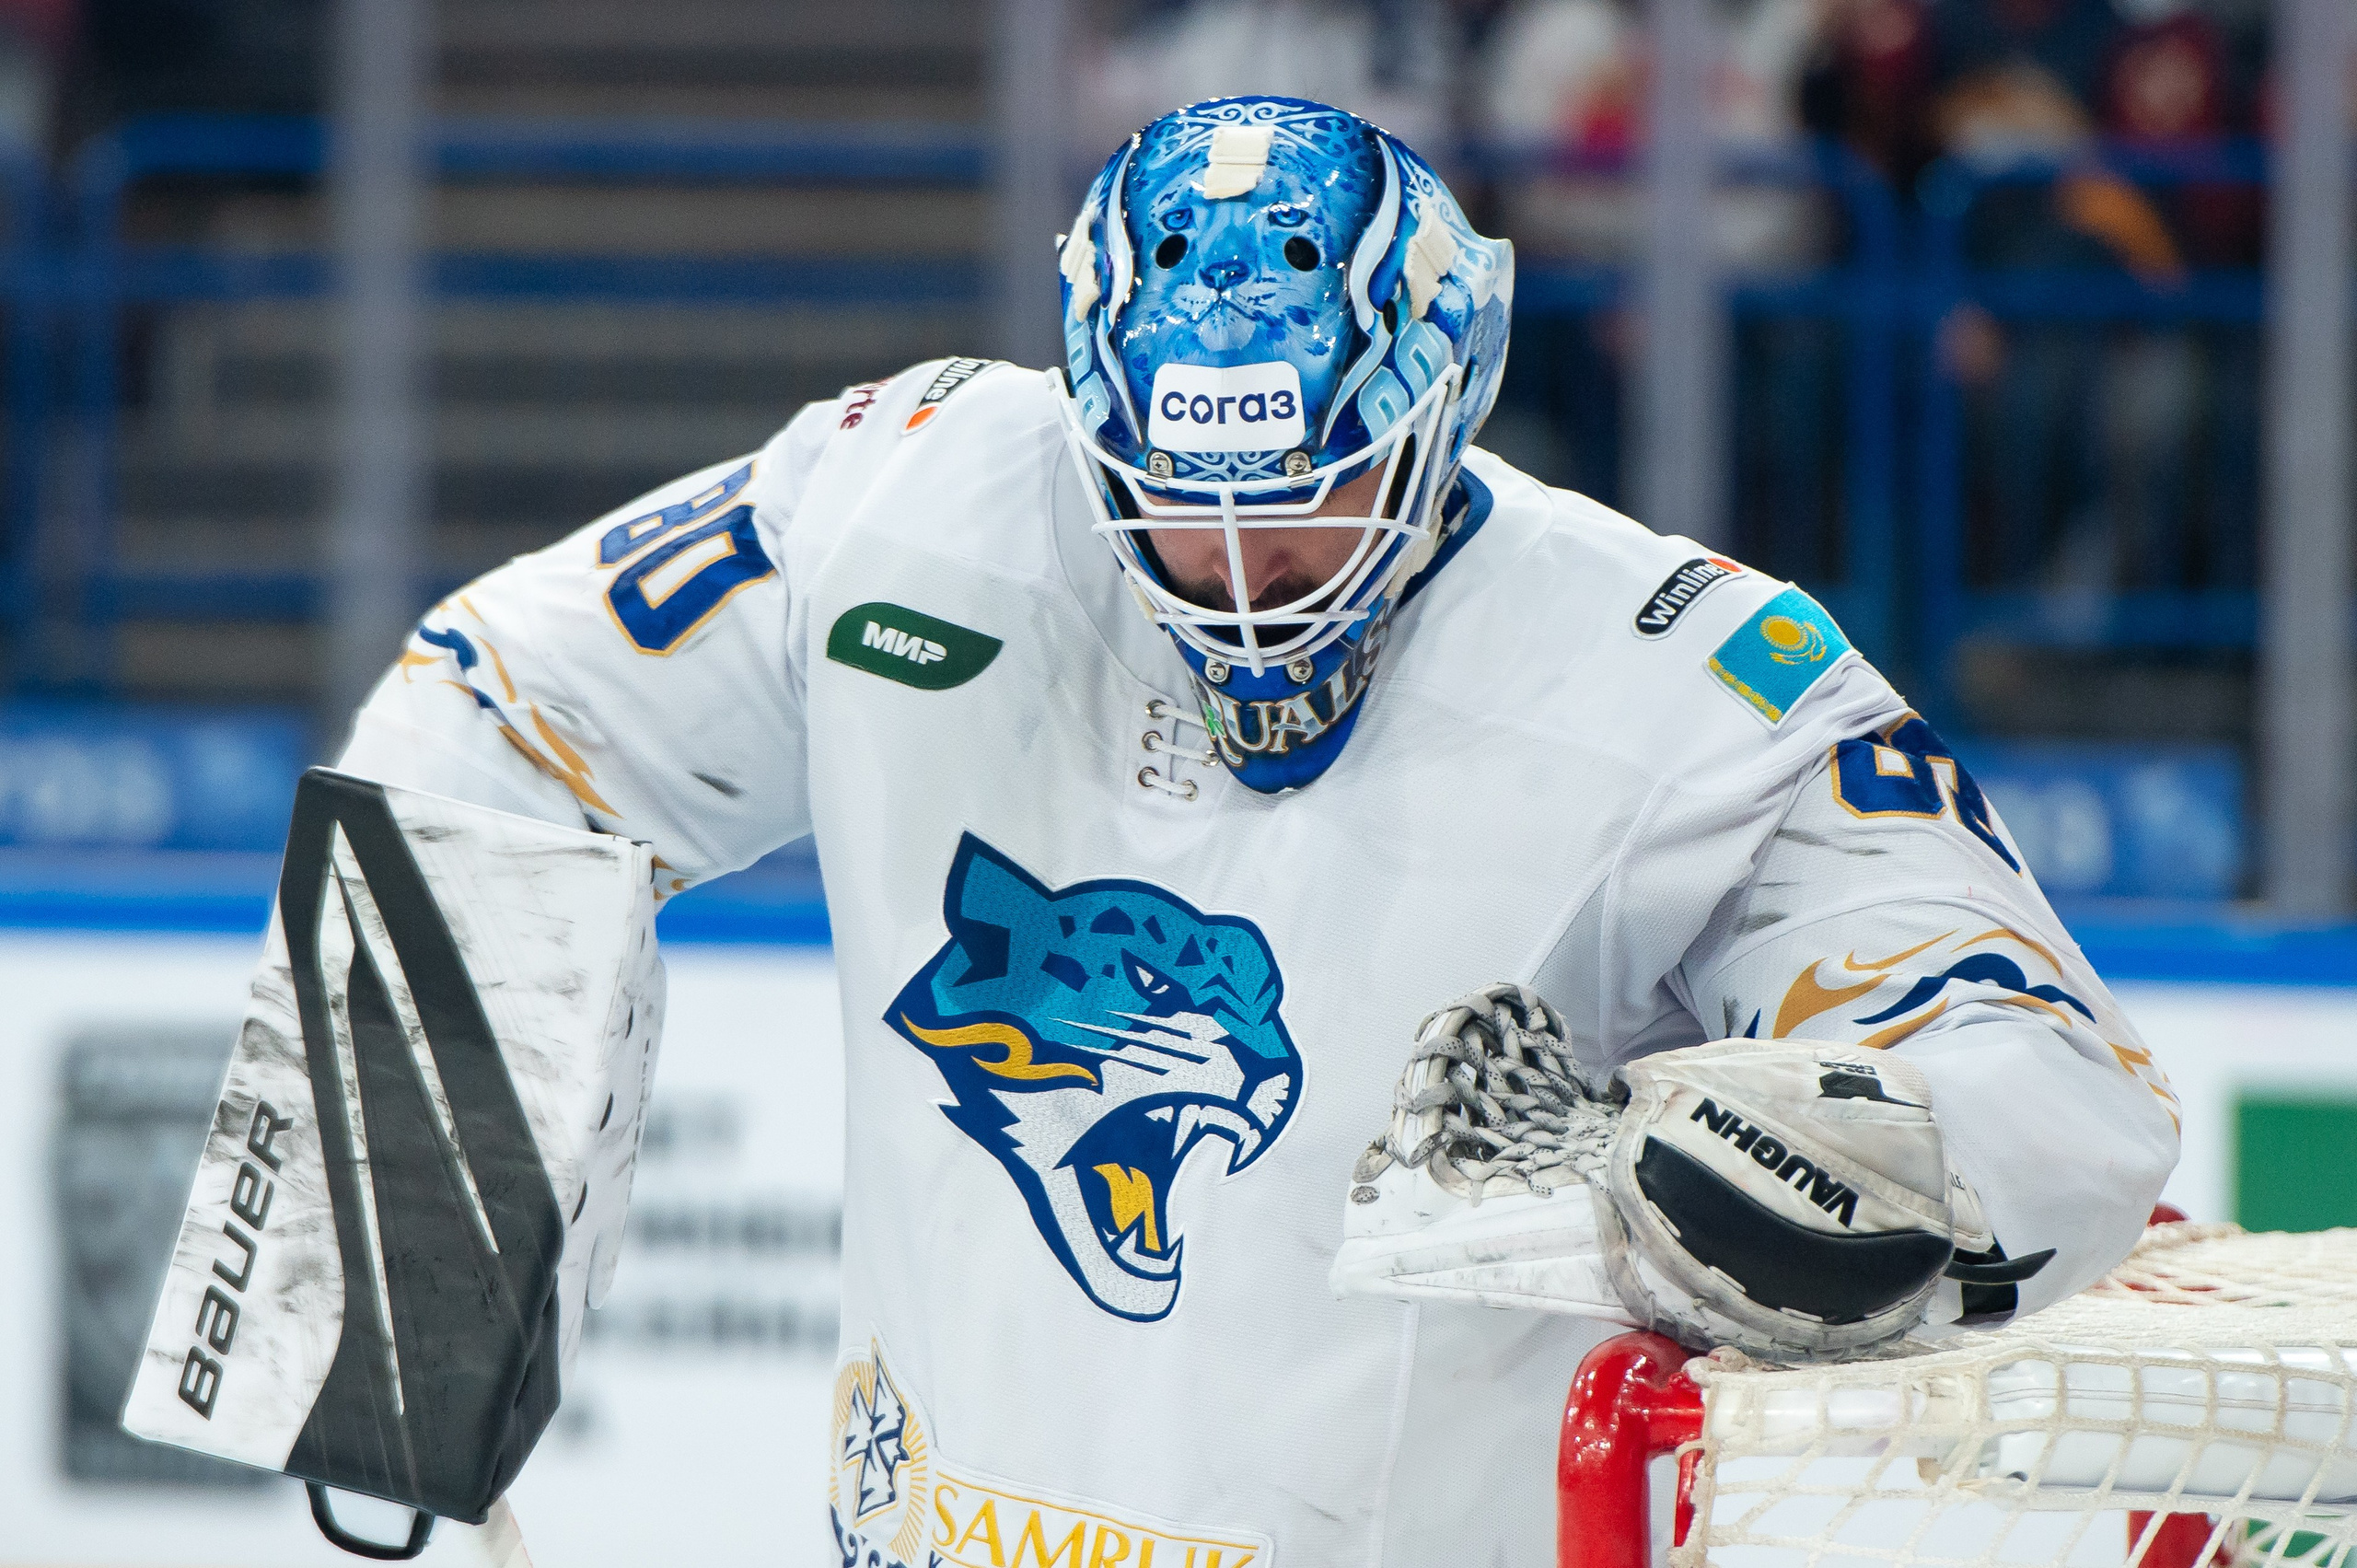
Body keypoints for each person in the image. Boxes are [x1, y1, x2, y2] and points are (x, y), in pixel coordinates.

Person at [161, 98, 2179, 1564]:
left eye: (1307, 498)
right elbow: (508, 712)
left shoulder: (1688, 676)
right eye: (1167, 496)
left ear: (1448, 398)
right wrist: (397, 1300)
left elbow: (2034, 1064)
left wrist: (1891, 1156)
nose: (1236, 576)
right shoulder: (914, 502)